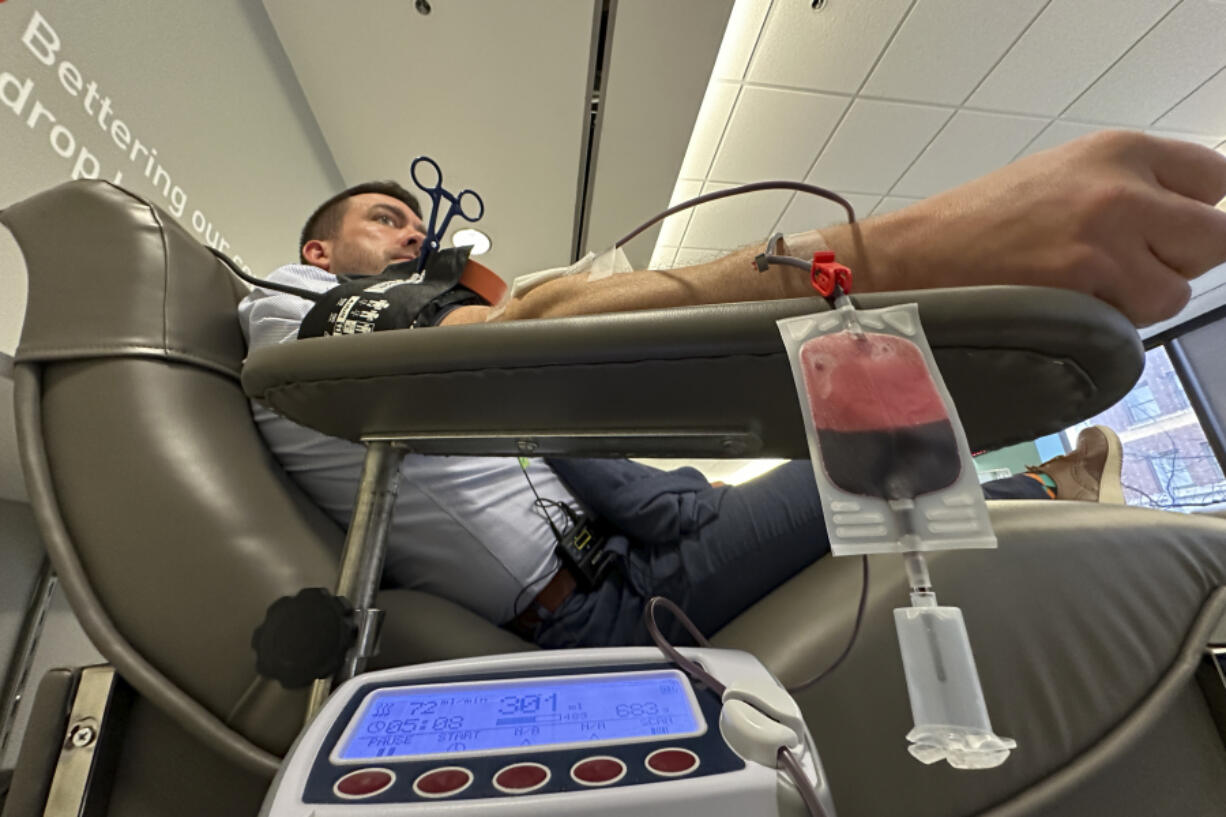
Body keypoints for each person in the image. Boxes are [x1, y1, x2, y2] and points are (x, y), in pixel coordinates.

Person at [238, 130, 1226, 647]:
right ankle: (1048, 493)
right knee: (886, 469)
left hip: (621, 552)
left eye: (415, 224)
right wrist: (891, 255)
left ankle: (1046, 492)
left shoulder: (416, 332)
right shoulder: (291, 303)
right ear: (318, 247)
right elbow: (485, 344)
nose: (410, 234)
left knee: (883, 469)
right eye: (383, 220)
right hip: (588, 611)